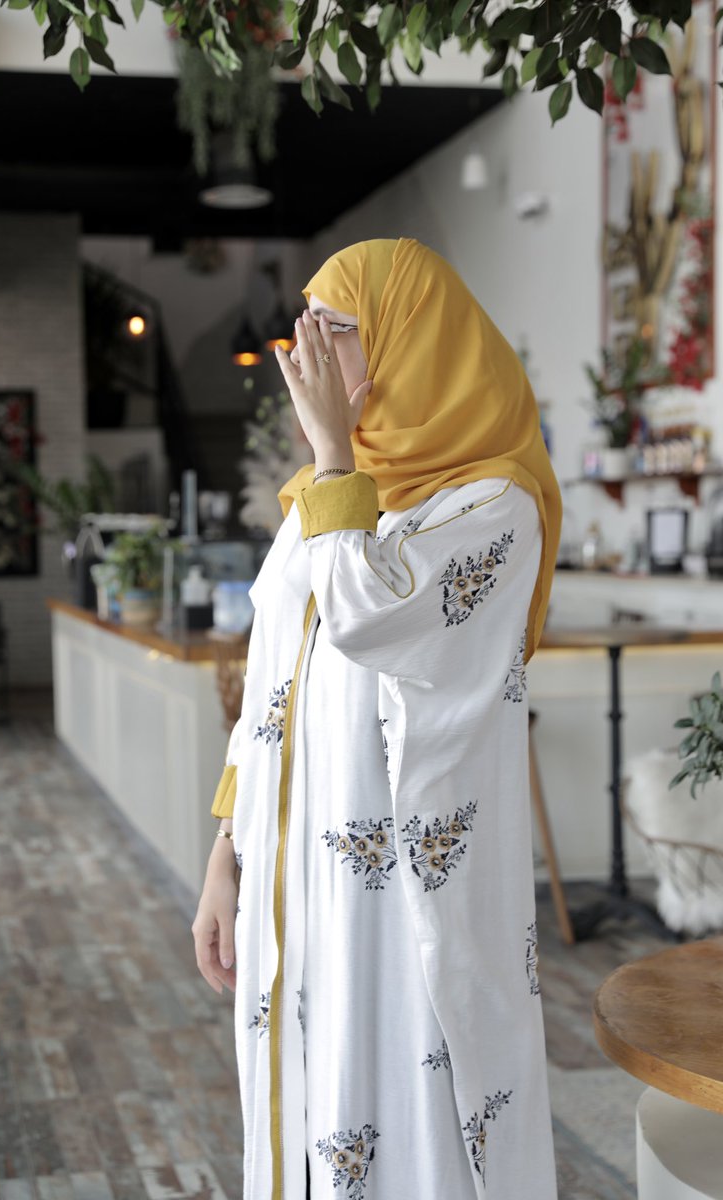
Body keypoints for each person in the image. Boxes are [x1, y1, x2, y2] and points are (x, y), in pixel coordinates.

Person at [192, 237, 562, 1200]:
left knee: (403, 1115)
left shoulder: (495, 506)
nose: (306, 352)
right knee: (303, 1112)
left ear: (409, 336)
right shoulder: (318, 501)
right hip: (294, 877)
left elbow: (367, 613)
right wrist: (227, 853)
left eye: (336, 327)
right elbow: (270, 678)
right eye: (303, 326)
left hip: (402, 900)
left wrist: (330, 455)